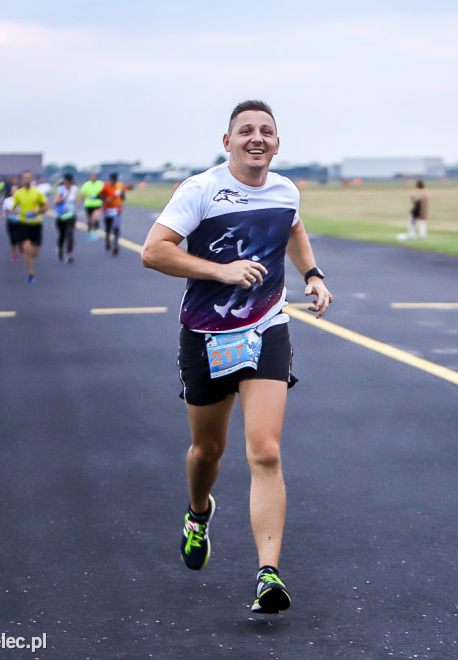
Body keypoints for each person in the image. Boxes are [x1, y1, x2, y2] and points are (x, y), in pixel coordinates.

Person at [142, 100, 333, 615]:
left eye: (266, 131)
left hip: (267, 328)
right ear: (226, 142)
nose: (257, 137)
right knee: (207, 451)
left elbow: (292, 226)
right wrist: (221, 271)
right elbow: (154, 251)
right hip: (205, 334)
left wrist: (313, 275)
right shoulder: (200, 190)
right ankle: (198, 513)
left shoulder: (286, 189)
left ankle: (267, 573)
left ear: (277, 143)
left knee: (265, 452)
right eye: (245, 130)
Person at [11, 170, 48, 282]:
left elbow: (46, 207)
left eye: (29, 178)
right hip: (24, 224)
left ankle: (30, 258)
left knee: (35, 253)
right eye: (25, 178)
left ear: (32, 179)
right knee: (26, 248)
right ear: (22, 180)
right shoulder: (18, 193)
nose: (27, 180)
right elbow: (13, 208)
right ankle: (31, 273)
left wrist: (39, 210)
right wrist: (16, 212)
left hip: (36, 224)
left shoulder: (37, 193)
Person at [98, 173, 126, 255]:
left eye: (115, 180)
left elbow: (122, 195)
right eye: (112, 180)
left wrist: (123, 202)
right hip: (107, 210)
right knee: (108, 228)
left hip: (116, 210)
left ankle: (115, 245)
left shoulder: (120, 186)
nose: (114, 181)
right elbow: (99, 195)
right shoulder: (105, 186)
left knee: (116, 227)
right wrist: (106, 199)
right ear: (110, 179)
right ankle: (107, 240)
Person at [54, 173, 78, 263]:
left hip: (71, 216)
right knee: (62, 235)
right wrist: (64, 197)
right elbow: (55, 202)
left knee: (70, 234)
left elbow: (75, 199)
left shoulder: (74, 189)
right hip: (61, 216)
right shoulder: (60, 189)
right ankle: (60, 248)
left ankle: (69, 253)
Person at [80, 172, 104, 240]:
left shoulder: (100, 184)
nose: (93, 178)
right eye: (92, 176)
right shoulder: (86, 184)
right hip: (88, 204)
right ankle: (90, 232)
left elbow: (104, 193)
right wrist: (89, 196)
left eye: (94, 176)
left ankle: (95, 232)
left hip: (97, 204)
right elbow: (82, 194)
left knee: (96, 218)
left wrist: (98, 196)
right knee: (89, 220)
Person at [1, 186, 21, 263]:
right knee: (13, 240)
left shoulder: (22, 200)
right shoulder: (7, 200)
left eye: (16, 190)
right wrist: (4, 215)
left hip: (21, 221)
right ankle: (14, 255)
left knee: (21, 238)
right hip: (11, 221)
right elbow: (4, 210)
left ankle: (21, 246)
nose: (14, 192)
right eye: (13, 190)